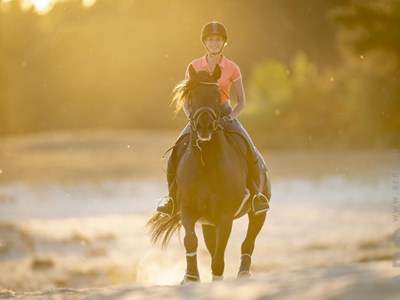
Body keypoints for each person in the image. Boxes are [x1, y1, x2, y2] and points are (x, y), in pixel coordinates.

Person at [157, 21, 269, 216]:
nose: (214, 43)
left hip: (224, 113)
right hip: (198, 115)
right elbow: (186, 99)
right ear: (205, 42)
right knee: (175, 152)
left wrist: (229, 118)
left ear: (223, 42)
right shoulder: (193, 66)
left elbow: (241, 102)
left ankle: (257, 196)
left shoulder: (232, 68)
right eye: (210, 40)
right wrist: (192, 117)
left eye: (217, 40)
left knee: (249, 149)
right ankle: (171, 199)